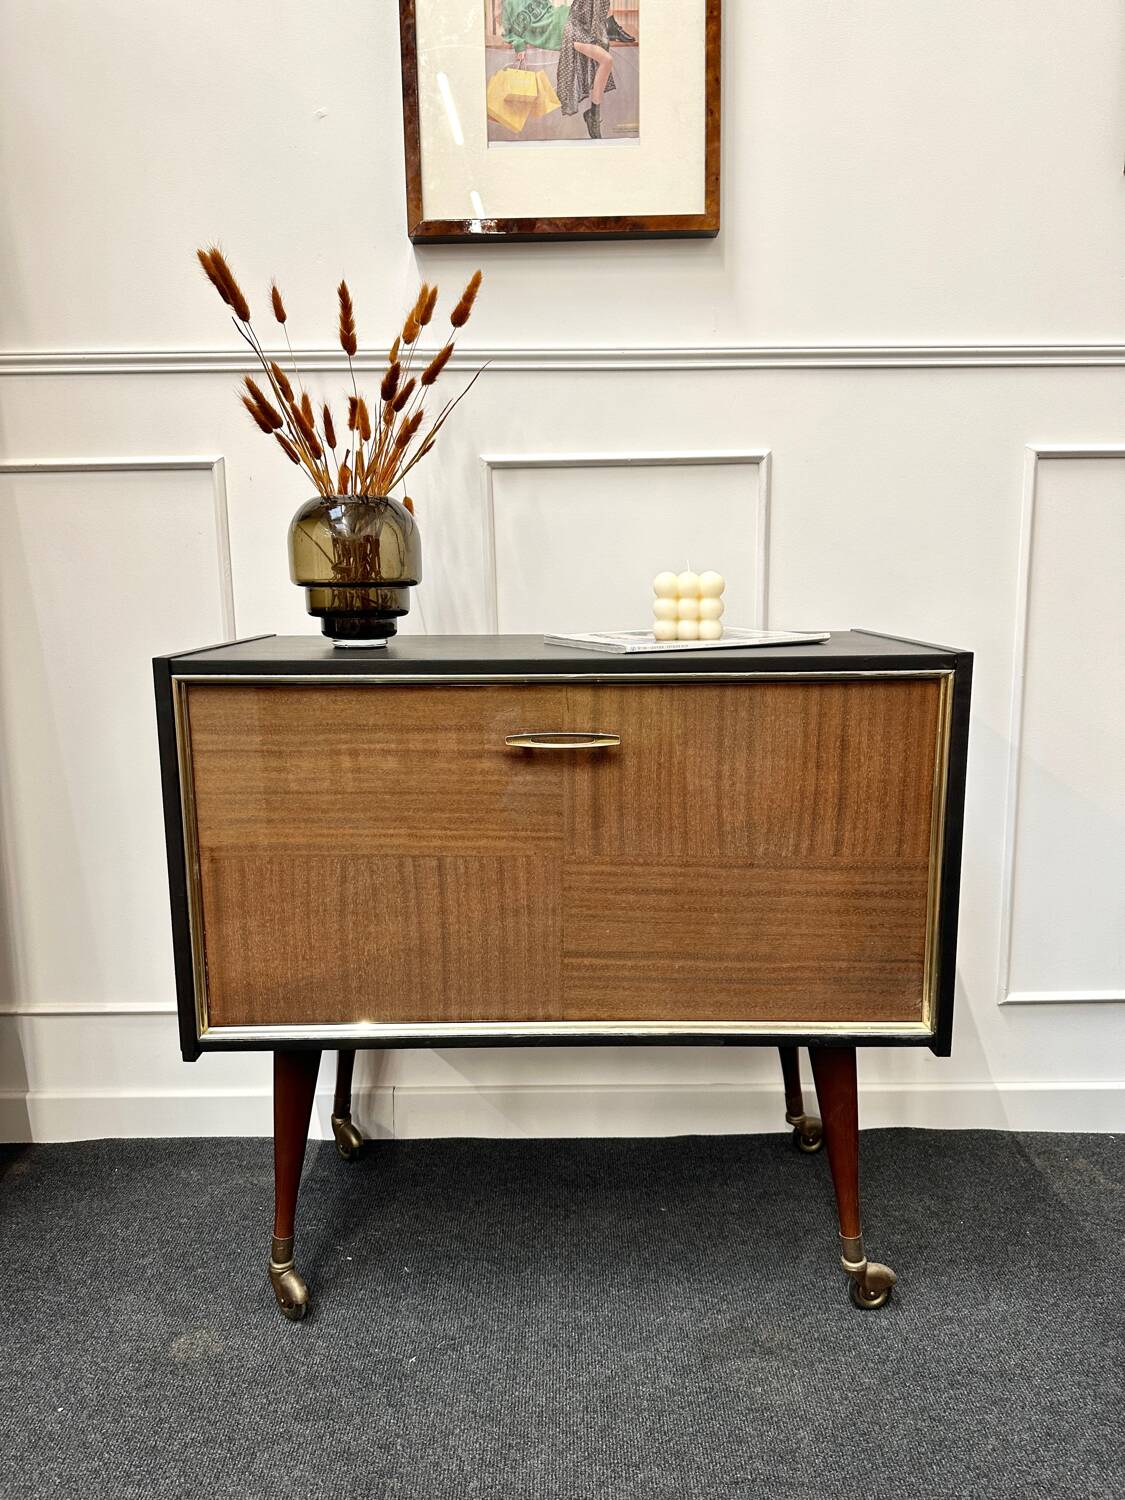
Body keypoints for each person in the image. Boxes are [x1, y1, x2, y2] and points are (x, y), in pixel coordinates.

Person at [502, 0, 634, 139]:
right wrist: (519, 45)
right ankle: (593, 115)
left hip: (565, 17)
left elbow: (548, 8)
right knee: (606, 60)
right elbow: (510, 32)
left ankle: (593, 116)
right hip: (563, 31)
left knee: (605, 57)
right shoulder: (508, 3)